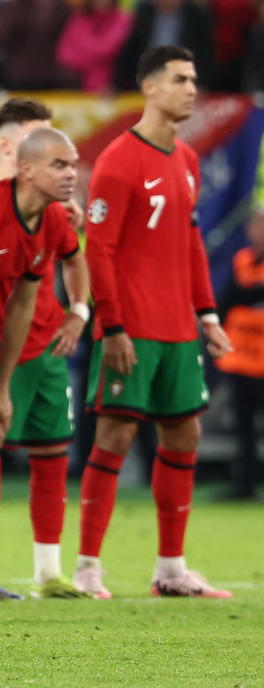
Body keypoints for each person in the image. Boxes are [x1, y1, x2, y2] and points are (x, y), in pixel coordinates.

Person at [77, 45, 233, 599]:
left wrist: (207, 313)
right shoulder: (120, 160)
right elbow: (99, 250)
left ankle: (171, 568)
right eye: (179, 79)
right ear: (149, 87)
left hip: (178, 328)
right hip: (132, 328)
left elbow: (190, 243)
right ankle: (87, 566)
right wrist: (112, 326)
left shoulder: (186, 161)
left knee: (184, 432)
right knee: (115, 435)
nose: (192, 88)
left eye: (194, 79)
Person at [0, 99, 92, 599]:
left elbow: (26, 302)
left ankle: (2, 574)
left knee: (27, 446)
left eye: (72, 164)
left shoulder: (52, 220)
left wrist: (78, 311)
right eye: (60, 164)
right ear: (20, 158)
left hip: (20, 347)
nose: (72, 174)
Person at [216, 205, 264, 500]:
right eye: (256, 226)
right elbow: (228, 301)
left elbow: (241, 297)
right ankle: (245, 483)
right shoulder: (242, 260)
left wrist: (246, 297)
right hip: (242, 357)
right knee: (244, 423)